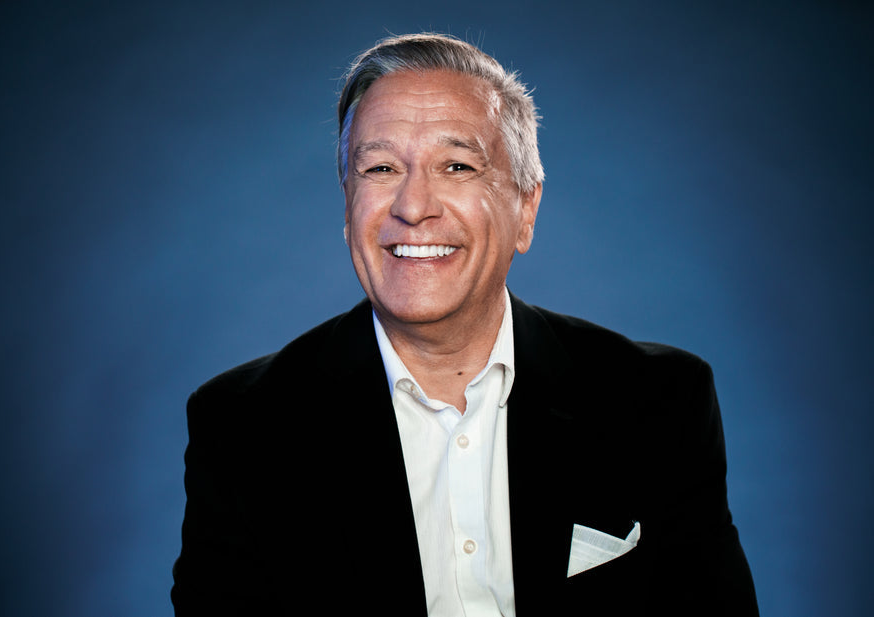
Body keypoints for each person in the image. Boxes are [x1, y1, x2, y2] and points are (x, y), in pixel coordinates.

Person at [171, 33, 759, 616]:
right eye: (380, 167)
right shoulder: (244, 425)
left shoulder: (658, 401)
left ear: (526, 209)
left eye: (456, 166)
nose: (413, 206)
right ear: (348, 208)